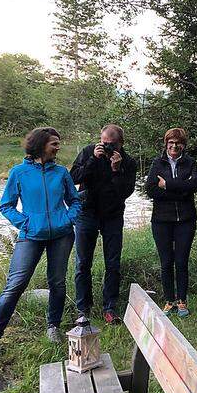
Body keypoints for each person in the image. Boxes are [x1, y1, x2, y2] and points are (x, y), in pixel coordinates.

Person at [0, 128, 81, 351]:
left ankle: (53, 327)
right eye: (54, 143)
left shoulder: (61, 172)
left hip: (61, 235)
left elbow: (75, 200)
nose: (57, 147)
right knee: (15, 284)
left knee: (57, 283)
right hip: (30, 235)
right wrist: (26, 223)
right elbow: (6, 205)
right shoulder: (18, 172)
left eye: (58, 143)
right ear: (41, 145)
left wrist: (68, 218)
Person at [71, 124, 137, 324]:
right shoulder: (89, 152)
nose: (107, 147)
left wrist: (116, 171)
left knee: (113, 264)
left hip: (113, 215)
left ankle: (110, 307)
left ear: (121, 143)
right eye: (104, 143)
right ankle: (83, 308)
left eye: (111, 144)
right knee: (82, 263)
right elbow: (73, 178)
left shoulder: (128, 162)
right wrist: (93, 159)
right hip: (87, 212)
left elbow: (125, 193)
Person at [145, 128, 197, 318]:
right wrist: (180, 189)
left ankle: (182, 300)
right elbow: (151, 189)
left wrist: (168, 185)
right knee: (166, 261)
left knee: (181, 261)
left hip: (185, 219)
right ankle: (169, 300)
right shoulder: (157, 163)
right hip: (162, 220)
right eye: (171, 142)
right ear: (166, 144)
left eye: (178, 143)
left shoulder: (190, 162)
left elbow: (194, 185)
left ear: (183, 145)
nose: (174, 146)